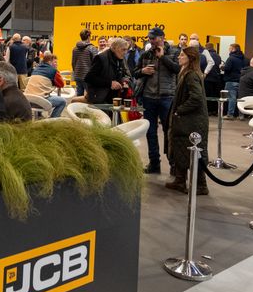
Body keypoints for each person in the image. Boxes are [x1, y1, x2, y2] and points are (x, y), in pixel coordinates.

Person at [134, 28, 180, 175]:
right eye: (149, 38)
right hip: (148, 98)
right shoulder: (146, 54)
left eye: (153, 38)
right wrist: (142, 71)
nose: (151, 41)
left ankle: (174, 164)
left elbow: (178, 69)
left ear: (162, 38)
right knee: (150, 132)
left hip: (167, 97)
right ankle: (154, 164)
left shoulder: (174, 52)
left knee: (169, 132)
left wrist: (162, 57)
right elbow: (134, 72)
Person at [166, 45, 209, 195]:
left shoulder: (191, 75)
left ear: (190, 58)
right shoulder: (187, 73)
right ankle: (180, 181)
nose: (178, 57)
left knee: (193, 152)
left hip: (191, 121)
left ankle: (201, 186)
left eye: (182, 55)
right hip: (189, 121)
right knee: (182, 150)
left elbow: (196, 98)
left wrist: (180, 110)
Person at [84, 37, 129, 105]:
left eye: (126, 50)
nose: (125, 52)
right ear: (114, 48)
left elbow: (122, 74)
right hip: (100, 98)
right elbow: (89, 78)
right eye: (123, 49)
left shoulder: (119, 58)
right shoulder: (101, 58)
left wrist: (124, 81)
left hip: (114, 98)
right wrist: (110, 83)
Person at [26, 52, 67, 117]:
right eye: (55, 62)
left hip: (28, 100)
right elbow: (61, 84)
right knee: (63, 101)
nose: (57, 64)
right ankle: (53, 119)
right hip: (40, 102)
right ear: (49, 62)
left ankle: (39, 116)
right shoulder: (53, 71)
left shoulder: (36, 69)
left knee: (40, 93)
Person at [71, 29, 99, 96]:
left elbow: (73, 63)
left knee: (79, 96)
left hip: (78, 75)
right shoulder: (92, 48)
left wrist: (76, 71)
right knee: (91, 96)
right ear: (89, 37)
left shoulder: (75, 49)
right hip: (88, 77)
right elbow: (97, 64)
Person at [222, 43, 245, 118]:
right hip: (240, 81)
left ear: (233, 49)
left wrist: (222, 67)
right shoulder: (243, 58)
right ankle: (241, 115)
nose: (229, 50)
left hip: (231, 81)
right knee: (240, 98)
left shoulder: (231, 58)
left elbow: (227, 68)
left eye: (229, 48)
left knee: (231, 98)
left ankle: (230, 114)